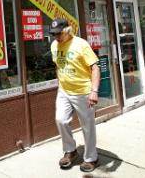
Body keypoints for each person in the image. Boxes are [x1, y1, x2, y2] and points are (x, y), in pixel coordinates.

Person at [50, 18, 101, 173]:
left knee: (87, 126)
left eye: (59, 34)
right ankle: (70, 150)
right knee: (61, 120)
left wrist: (94, 91)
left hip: (83, 92)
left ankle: (92, 158)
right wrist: (61, 84)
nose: (56, 37)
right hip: (64, 91)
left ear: (68, 30)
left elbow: (95, 68)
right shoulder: (54, 45)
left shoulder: (81, 44)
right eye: (54, 34)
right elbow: (58, 67)